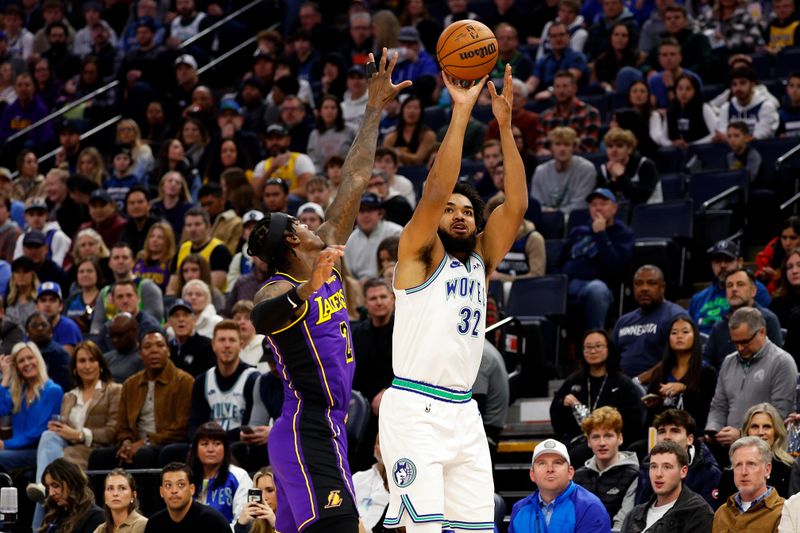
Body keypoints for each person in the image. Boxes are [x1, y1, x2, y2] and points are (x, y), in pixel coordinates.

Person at [248, 50, 409, 533]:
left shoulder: (327, 253)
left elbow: (356, 176)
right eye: (299, 219)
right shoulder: (280, 285)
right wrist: (307, 290)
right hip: (307, 425)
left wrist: (375, 108)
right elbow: (263, 316)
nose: (311, 217)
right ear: (293, 240)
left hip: (329, 425)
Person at [378, 63, 527, 532]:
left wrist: (505, 127)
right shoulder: (417, 254)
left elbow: (517, 205)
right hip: (415, 408)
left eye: (468, 210)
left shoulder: (480, 258)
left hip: (465, 412)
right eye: (450, 211)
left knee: (476, 528)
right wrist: (462, 111)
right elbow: (437, 186)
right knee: (422, 529)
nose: (459, 215)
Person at [28, 340, 121, 530]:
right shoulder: (69, 396)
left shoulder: (113, 391)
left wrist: (78, 434)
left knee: (53, 479)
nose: (86, 365)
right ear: (75, 367)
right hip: (68, 449)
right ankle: (42, 488)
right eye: (81, 361)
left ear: (100, 364)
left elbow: (112, 431)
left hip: (94, 450)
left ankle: (38, 526)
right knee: (48, 436)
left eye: (91, 360)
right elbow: (64, 429)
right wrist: (60, 429)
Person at [88, 329, 193, 470]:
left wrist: (145, 442)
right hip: (135, 444)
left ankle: (146, 493)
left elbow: (181, 427)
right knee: (98, 456)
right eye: (147, 347)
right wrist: (126, 443)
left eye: (160, 345)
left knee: (144, 454)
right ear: (140, 354)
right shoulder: (130, 384)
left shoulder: (184, 381)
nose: (154, 351)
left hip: (166, 444)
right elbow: (123, 426)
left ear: (168, 351)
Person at [705, 307, 797, 454]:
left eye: (745, 341)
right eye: (735, 342)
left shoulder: (782, 362)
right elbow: (718, 406)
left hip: (767, 452)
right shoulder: (728, 361)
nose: (740, 348)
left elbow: (780, 416)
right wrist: (713, 429)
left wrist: (742, 435)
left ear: (762, 332)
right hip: (729, 451)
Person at [551, 329, 646, 454]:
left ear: (609, 349)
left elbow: (633, 425)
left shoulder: (623, 383)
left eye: (598, 346)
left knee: (579, 454)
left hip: (612, 444)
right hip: (577, 441)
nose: (593, 351)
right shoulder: (573, 381)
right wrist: (563, 405)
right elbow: (557, 422)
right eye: (588, 347)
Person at [557, 188, 634, 330]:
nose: (598, 208)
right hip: (568, 284)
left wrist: (601, 234)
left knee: (597, 290)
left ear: (615, 208)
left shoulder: (622, 234)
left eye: (603, 203)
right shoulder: (578, 231)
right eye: (593, 204)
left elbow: (615, 266)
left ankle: (595, 338)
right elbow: (560, 261)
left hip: (599, 286)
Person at [509, 438, 611, 532]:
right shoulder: (519, 509)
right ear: (532, 474)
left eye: (557, 462)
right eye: (542, 463)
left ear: (570, 472)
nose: (550, 469)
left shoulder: (590, 508)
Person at [642, 316, 718, 433]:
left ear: (695, 337)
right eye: (674, 333)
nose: (679, 336)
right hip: (662, 435)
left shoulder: (707, 372)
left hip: (693, 434)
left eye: (685, 332)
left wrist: (684, 389)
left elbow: (708, 409)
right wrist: (655, 403)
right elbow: (651, 419)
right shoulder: (660, 372)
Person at [635, 409, 722, 509]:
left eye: (675, 431)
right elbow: (640, 510)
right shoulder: (647, 465)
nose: (667, 437)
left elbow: (706, 518)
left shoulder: (709, 472)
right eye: (662, 431)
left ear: (690, 439)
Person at [621, 440, 714, 532]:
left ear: (683, 471)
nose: (658, 474)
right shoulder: (634, 515)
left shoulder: (698, 512)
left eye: (667, 467)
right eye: (654, 466)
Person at [572, 406, 640, 529]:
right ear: (588, 441)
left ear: (619, 438)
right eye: (596, 437)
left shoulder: (635, 474)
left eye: (608, 436)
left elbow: (623, 522)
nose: (602, 443)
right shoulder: (578, 476)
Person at [703, 268, 783, 371]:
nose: (734, 289)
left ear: (753, 291)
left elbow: (776, 363)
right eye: (729, 285)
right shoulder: (719, 326)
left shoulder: (768, 320)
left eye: (740, 284)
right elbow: (706, 361)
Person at [613, 265, 685, 378]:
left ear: (663, 287)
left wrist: (640, 380)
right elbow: (612, 359)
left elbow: (679, 359)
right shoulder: (623, 321)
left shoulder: (676, 317)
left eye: (651, 283)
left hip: (660, 386)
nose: (644, 288)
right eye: (639, 283)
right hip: (623, 388)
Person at [0, 341, 62, 472]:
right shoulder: (18, 392)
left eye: (30, 358)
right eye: (21, 361)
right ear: (16, 367)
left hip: (39, 451)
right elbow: (1, 409)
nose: (27, 363)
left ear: (38, 359)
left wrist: (5, 444)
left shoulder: (53, 390)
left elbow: (39, 431)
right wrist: (5, 378)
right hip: (15, 450)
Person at [689, 239, 771, 335]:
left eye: (728, 260)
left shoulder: (755, 290)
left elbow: (765, 326)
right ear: (711, 264)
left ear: (740, 262)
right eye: (717, 261)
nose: (723, 265)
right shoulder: (698, 299)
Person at [717, 403, 794, 501]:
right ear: (746, 431)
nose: (760, 432)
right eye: (754, 427)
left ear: (776, 432)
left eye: (767, 427)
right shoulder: (730, 474)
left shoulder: (790, 470)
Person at [712, 436, 785, 531]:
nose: (743, 472)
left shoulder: (783, 511)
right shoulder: (722, 513)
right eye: (738, 465)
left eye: (751, 464)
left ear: (767, 470)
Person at [187, 421, 253, 525]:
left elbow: (243, 520)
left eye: (217, 444)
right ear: (195, 450)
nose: (210, 449)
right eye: (204, 444)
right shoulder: (186, 478)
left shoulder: (239, 477)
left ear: (225, 449)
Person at [530, 126, 595, 219]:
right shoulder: (540, 171)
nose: (562, 149)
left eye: (567, 144)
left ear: (574, 147)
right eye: (558, 144)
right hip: (546, 221)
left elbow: (581, 205)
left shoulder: (586, 169)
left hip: (574, 221)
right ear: (551, 147)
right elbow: (536, 205)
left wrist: (556, 214)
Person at [144, 462, 231, 532]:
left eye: (181, 485)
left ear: (192, 489)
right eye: (168, 485)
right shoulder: (154, 524)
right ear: (161, 492)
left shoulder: (213, 522)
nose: (174, 490)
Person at [170, 207, 232, 294]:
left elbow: (213, 288)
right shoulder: (182, 248)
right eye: (189, 225)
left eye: (197, 224)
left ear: (208, 227)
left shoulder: (219, 250)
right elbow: (172, 286)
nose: (192, 229)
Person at [343, 192, 403, 281]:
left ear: (380, 213)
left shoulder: (396, 232)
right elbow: (349, 276)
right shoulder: (349, 240)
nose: (365, 215)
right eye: (361, 211)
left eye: (370, 210)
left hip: (393, 282)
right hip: (361, 289)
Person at [597, 128, 662, 206]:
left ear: (630, 149)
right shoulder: (604, 169)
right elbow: (601, 201)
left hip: (649, 213)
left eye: (619, 146)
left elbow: (640, 199)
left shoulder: (646, 165)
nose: (614, 150)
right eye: (610, 146)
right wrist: (613, 181)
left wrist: (621, 177)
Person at [39, 458, 104, 533]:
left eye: (55, 485)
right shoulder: (52, 517)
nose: (51, 493)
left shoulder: (95, 517)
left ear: (72, 483)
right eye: (48, 487)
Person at [714, 67, 779, 142]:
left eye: (742, 83)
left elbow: (761, 135)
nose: (738, 88)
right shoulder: (726, 108)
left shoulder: (766, 106)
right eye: (734, 84)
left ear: (752, 85)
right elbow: (723, 134)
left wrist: (732, 139)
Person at [663, 74, 716, 147]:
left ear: (695, 91)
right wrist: (672, 143)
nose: (683, 93)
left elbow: (715, 134)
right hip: (677, 152)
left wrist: (691, 145)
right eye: (680, 88)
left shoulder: (704, 107)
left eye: (688, 89)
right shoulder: (670, 109)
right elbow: (663, 138)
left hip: (702, 150)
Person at [382, 94, 436, 166]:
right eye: (408, 107)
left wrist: (397, 153)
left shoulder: (428, 135)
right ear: (402, 111)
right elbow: (384, 158)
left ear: (421, 112)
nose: (412, 111)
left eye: (416, 108)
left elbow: (418, 159)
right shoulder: (391, 136)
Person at [167, 298, 214, 377]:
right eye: (176, 315)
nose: (181, 319)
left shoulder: (207, 346)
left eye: (185, 315)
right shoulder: (167, 348)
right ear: (169, 321)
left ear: (194, 319)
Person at [92, 468, 148, 533]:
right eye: (110, 488)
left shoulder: (142, 524)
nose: (115, 494)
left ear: (133, 495)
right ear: (105, 497)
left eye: (122, 488)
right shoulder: (101, 529)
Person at [755, 217, 800, 295]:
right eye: (784, 237)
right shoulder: (772, 252)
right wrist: (764, 278)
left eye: (793, 238)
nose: (787, 243)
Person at [234, 467, 277, 533]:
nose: (264, 497)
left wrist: (276, 525)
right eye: (259, 492)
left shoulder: (294, 520)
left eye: (270, 490)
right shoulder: (252, 524)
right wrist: (240, 526)